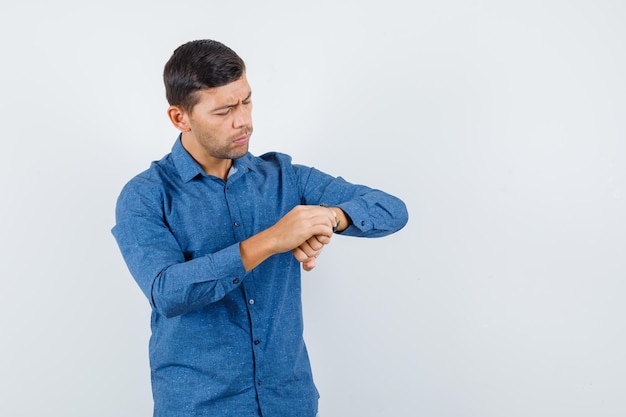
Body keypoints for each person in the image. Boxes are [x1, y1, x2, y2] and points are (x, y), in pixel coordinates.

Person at [112, 39, 409, 417]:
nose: (244, 121)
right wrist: (272, 239)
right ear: (179, 117)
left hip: (288, 402)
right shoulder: (145, 195)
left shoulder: (286, 178)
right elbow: (168, 292)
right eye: (224, 111)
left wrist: (327, 218)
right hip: (199, 406)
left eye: (246, 102)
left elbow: (392, 209)